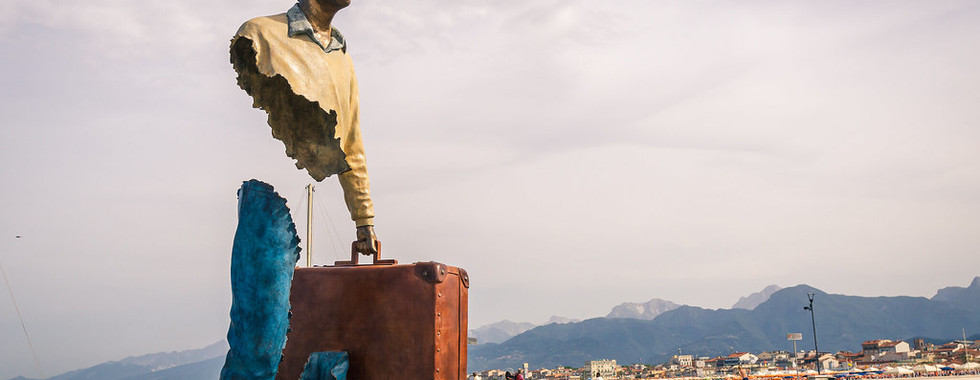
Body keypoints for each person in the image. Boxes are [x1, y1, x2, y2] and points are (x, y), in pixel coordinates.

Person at [230, 0, 378, 254]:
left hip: (303, 214)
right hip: (260, 207)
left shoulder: (342, 59)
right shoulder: (258, 34)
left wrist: (364, 220)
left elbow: (351, 142)